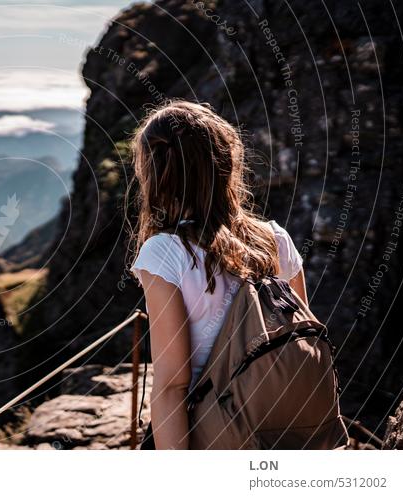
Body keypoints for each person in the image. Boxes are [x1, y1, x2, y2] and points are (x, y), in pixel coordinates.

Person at [129, 101, 308, 450]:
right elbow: (297, 340)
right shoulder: (276, 239)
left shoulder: (165, 253)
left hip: (213, 432)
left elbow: (172, 387)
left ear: (157, 173)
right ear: (227, 165)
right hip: (282, 427)